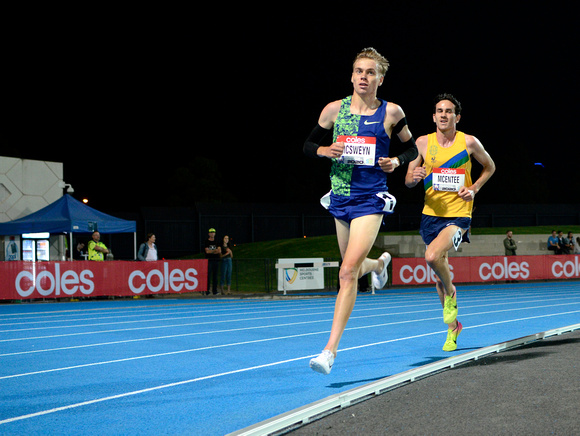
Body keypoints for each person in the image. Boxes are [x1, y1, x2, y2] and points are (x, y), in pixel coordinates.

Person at [304, 47, 419, 374]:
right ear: (352, 76)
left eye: (370, 72)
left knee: (346, 272)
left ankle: (329, 351)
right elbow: (308, 146)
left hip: (371, 198)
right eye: (358, 71)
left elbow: (411, 147)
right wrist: (326, 149)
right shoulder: (333, 111)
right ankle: (381, 263)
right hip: (340, 196)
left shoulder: (391, 113)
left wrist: (396, 161)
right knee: (352, 267)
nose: (363, 77)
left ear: (380, 79)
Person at [405, 93, 495, 352]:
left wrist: (475, 188)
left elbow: (490, 167)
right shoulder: (422, 143)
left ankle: (452, 293)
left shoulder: (469, 142)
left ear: (457, 116)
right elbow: (409, 180)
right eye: (439, 111)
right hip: (430, 214)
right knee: (438, 272)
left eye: (449, 111)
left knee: (432, 256)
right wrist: (415, 175)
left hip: (458, 215)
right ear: (434, 117)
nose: (444, 115)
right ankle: (453, 327)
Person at [204, 228, 221, 295]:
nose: (212, 234)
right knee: (208, 276)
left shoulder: (217, 241)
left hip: (215, 260)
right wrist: (215, 251)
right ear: (209, 234)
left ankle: (215, 290)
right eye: (211, 232)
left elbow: (219, 251)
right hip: (209, 260)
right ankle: (207, 290)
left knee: (215, 276)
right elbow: (207, 251)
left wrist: (212, 251)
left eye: (213, 232)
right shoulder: (207, 242)